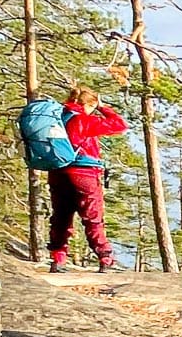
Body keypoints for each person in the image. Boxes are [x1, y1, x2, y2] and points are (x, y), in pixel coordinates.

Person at [48, 85, 128, 273]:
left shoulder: (56, 119)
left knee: (61, 218)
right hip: (84, 175)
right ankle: (105, 258)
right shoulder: (85, 120)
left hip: (57, 174)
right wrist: (103, 108)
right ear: (90, 104)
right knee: (93, 217)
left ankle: (58, 260)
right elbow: (120, 125)